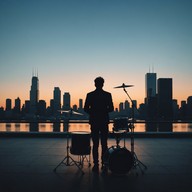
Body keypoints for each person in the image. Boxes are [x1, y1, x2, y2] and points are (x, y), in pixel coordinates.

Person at [84, 77, 114, 173]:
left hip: (94, 121)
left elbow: (85, 108)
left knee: (95, 144)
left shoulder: (90, 95)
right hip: (104, 121)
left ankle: (96, 164)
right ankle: (104, 164)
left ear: (95, 84)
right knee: (104, 144)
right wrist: (103, 111)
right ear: (103, 84)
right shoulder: (108, 95)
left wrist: (94, 112)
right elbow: (111, 108)